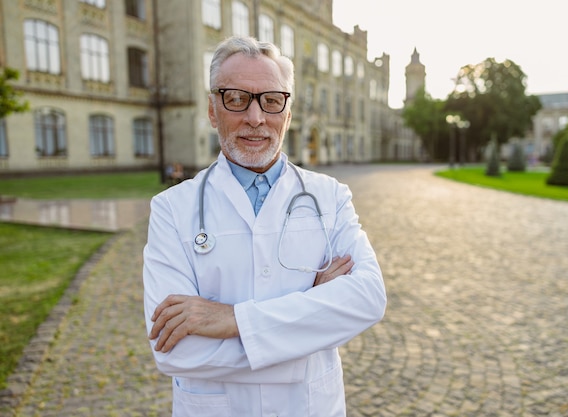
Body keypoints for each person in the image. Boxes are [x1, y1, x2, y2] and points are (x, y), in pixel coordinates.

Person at [143, 36, 386, 417]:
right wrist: (311, 324)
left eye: (271, 101)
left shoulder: (331, 197)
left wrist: (229, 319)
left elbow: (369, 297)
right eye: (236, 99)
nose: (255, 118)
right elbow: (176, 351)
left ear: (287, 113)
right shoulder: (172, 209)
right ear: (212, 110)